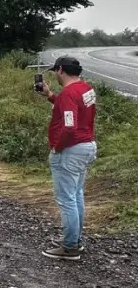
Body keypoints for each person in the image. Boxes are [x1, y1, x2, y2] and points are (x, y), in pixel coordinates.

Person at [39, 56, 97, 261]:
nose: (55, 74)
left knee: (66, 199)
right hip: (87, 146)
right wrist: (50, 95)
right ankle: (76, 240)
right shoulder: (85, 88)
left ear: (61, 70)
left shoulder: (68, 93)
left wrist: (57, 147)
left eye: (56, 71)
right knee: (76, 194)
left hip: (70, 150)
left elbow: (69, 126)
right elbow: (73, 109)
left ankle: (70, 246)